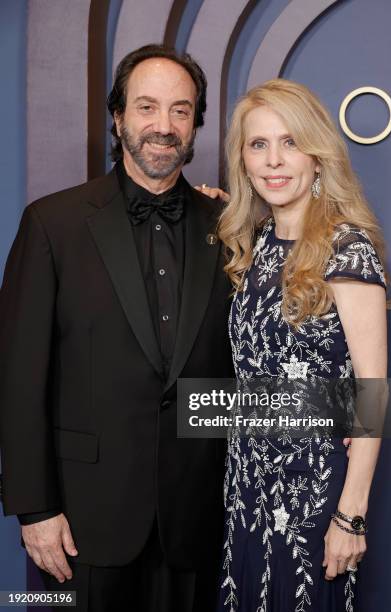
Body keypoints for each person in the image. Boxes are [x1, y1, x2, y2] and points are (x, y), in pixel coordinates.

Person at [0, 44, 234, 612]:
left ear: (195, 123)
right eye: (147, 107)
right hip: (81, 522)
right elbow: (18, 376)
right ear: (118, 117)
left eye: (181, 110)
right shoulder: (52, 223)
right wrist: (34, 508)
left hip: (197, 521)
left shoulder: (228, 228)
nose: (164, 125)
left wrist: (350, 413)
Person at [216, 79, 391, 611]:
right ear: (242, 159)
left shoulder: (347, 249)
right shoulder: (256, 245)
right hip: (246, 483)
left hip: (312, 493)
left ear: (318, 157)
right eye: (258, 144)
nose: (274, 160)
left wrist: (350, 515)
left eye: (290, 142)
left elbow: (373, 393)